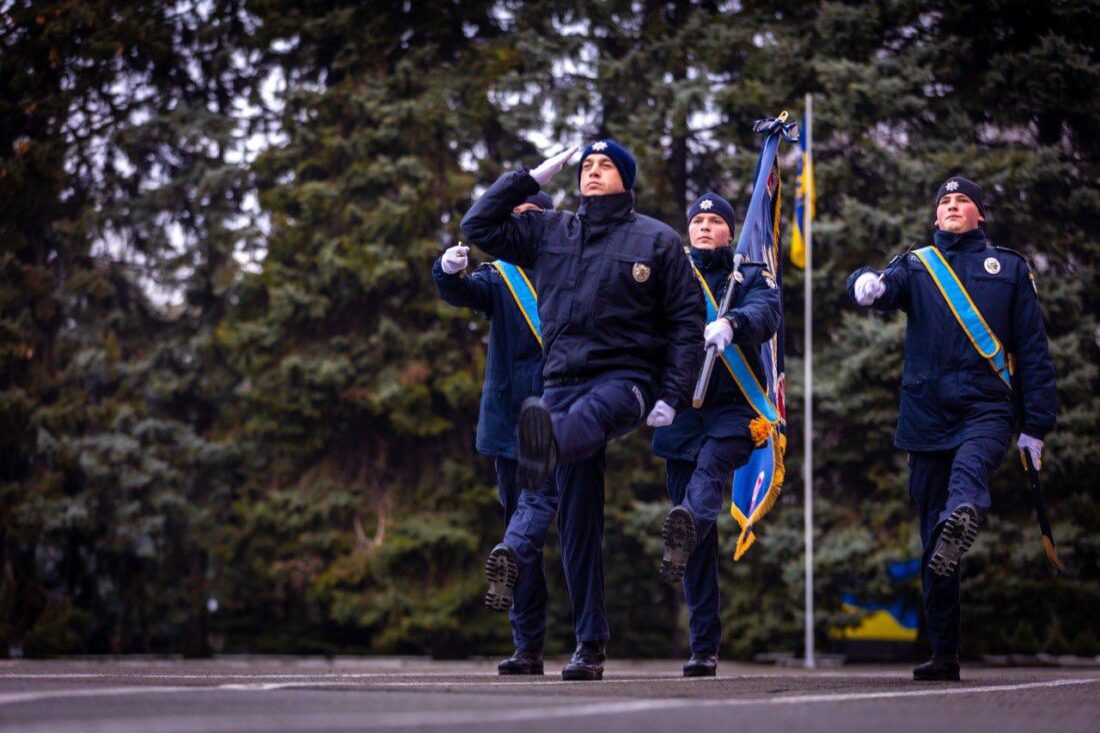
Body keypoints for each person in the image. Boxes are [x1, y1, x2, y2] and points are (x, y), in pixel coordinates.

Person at [460, 139, 704, 680]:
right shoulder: (552, 231)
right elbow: (477, 228)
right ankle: (575, 632)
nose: (593, 172)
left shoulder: (657, 241)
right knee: (570, 524)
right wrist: (527, 179)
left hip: (625, 381)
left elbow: (687, 324)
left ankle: (542, 448)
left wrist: (672, 394)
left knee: (569, 433)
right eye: (587, 166)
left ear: (627, 180)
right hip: (559, 383)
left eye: (606, 166)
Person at [847, 176, 1057, 681]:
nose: (954, 206)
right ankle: (944, 654)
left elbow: (1032, 349)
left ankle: (962, 515)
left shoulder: (1008, 268)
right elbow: (886, 284)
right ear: (935, 218)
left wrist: (1036, 425)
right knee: (933, 545)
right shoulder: (918, 265)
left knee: (964, 487)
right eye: (945, 202)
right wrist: (866, 283)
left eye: (964, 201)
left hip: (986, 408)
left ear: (979, 215)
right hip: (926, 415)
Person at [651, 193, 781, 677]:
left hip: (733, 410)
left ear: (731, 231)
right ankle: (703, 647)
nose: (705, 227)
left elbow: (768, 313)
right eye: (698, 220)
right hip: (683, 408)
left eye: (715, 221)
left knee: (704, 483)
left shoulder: (748, 275)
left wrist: (734, 321)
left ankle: (685, 522)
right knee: (696, 542)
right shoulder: (672, 274)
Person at [433, 192, 557, 675]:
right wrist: (448, 269)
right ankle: (527, 648)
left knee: (535, 520)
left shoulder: (567, 270)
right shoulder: (502, 276)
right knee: (520, 525)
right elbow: (461, 293)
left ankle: (587, 642)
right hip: (510, 422)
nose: (524, 226)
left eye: (532, 218)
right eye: (517, 218)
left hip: (562, 415)